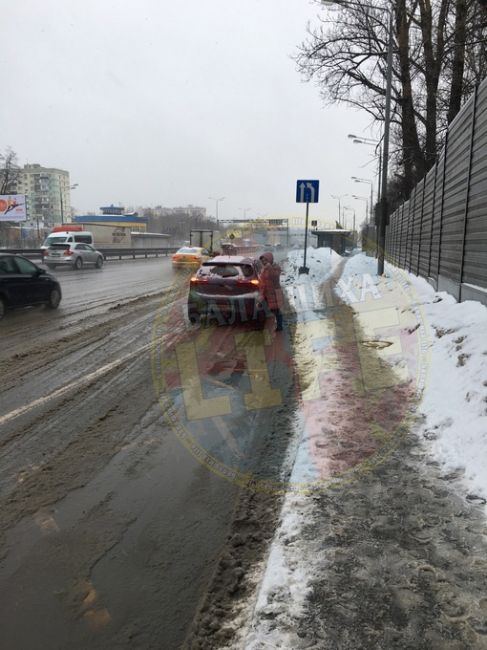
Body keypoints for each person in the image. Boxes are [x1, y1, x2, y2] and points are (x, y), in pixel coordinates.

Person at [259, 251, 283, 331]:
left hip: (274, 293)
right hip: (265, 293)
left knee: (276, 310)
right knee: (261, 309)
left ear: (270, 259)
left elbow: (274, 278)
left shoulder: (276, 267)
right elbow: (262, 280)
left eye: (265, 260)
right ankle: (261, 326)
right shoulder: (264, 268)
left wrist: (269, 267)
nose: (263, 262)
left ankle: (280, 326)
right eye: (262, 260)